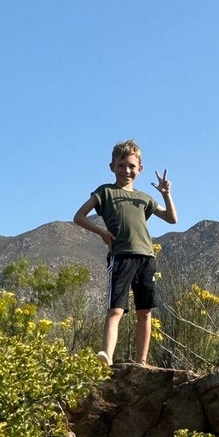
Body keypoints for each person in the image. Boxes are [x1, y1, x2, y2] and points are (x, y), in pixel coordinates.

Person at [73, 139, 177, 367]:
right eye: (121, 165)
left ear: (140, 169)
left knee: (145, 311)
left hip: (146, 257)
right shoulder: (105, 192)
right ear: (112, 167)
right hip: (121, 256)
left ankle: (141, 362)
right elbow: (78, 216)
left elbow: (171, 219)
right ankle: (107, 357)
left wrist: (166, 193)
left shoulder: (144, 198)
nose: (126, 170)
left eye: (131, 166)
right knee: (116, 309)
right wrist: (101, 233)